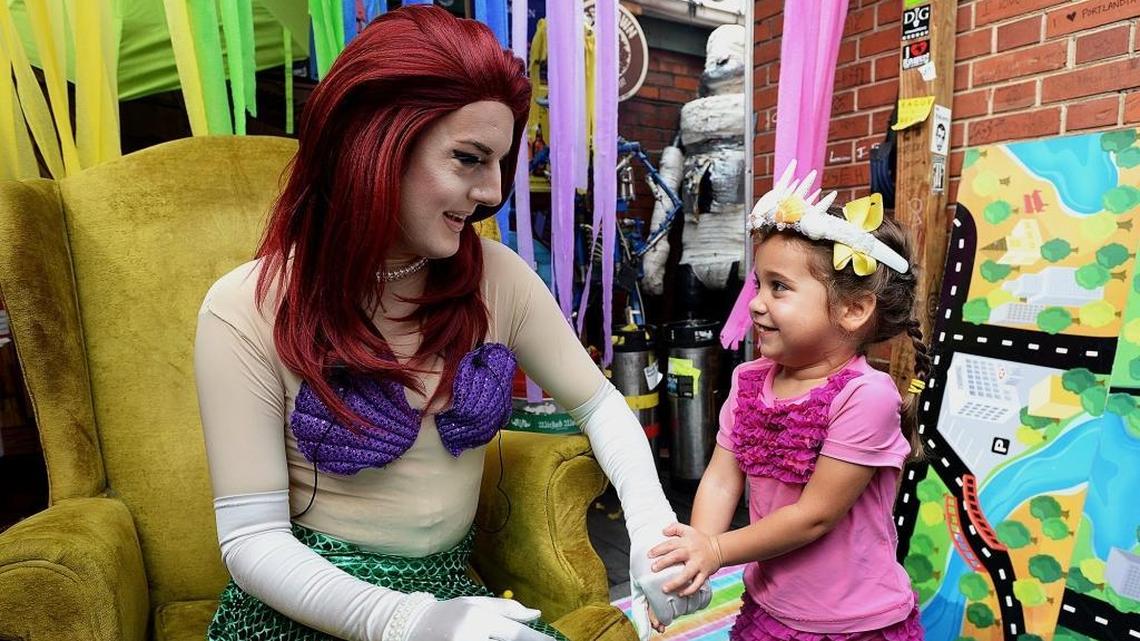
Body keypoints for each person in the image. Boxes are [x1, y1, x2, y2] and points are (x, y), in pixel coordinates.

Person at [193, 7, 707, 641]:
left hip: (454, 598)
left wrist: (654, 531)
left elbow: (600, 405)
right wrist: (410, 622)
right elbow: (252, 540)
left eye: (500, 162)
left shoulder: (501, 277)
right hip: (308, 605)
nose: (493, 191)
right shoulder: (244, 306)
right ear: (373, 146)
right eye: (469, 158)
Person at [646, 161, 929, 640]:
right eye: (759, 284)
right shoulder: (748, 381)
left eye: (780, 287)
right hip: (770, 609)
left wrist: (717, 550)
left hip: (853, 624)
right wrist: (695, 559)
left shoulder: (865, 397)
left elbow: (813, 516)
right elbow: (720, 478)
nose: (755, 303)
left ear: (853, 309)